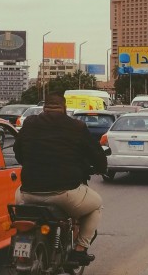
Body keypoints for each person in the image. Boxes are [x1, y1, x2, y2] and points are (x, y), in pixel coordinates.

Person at [13, 93, 107, 265]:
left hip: (27, 193)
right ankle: (80, 249)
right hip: (64, 194)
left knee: (17, 194)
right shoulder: (76, 127)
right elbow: (96, 154)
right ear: (64, 108)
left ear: (44, 108)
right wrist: (102, 168)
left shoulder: (30, 123)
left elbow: (18, 152)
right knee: (96, 205)